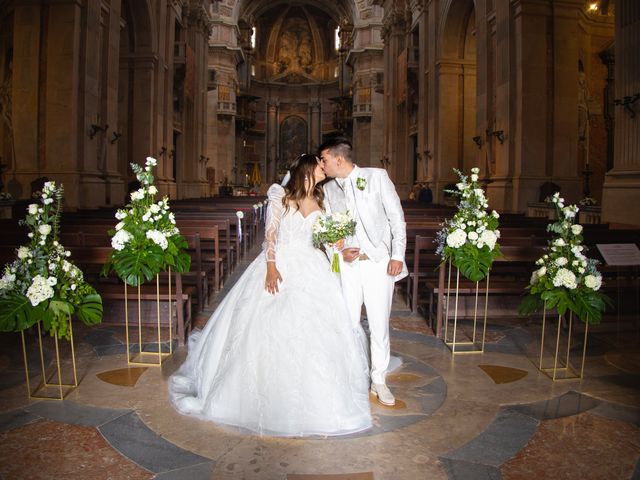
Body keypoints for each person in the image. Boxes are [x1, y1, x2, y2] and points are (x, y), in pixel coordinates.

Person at [168, 153, 372, 437]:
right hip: (281, 263)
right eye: (320, 164)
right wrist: (271, 267)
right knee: (267, 325)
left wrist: (340, 247)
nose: (324, 167)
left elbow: (324, 240)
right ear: (307, 169)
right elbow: (270, 235)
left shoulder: (322, 201)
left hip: (313, 267)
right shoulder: (281, 196)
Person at [319, 138, 408, 407]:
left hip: (379, 263)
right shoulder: (328, 190)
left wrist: (397, 256)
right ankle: (348, 375)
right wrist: (337, 253)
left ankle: (378, 380)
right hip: (348, 266)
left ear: (338, 159)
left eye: (324, 160)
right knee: (347, 321)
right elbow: (326, 230)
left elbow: (397, 218)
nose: (322, 165)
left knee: (379, 324)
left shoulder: (376, 177)